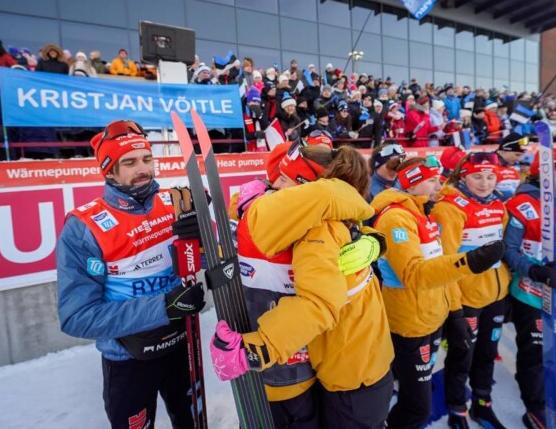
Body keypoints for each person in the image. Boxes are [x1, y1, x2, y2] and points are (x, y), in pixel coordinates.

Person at [210, 145, 394, 429]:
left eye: (283, 178)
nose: (273, 183)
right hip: (359, 364)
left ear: (304, 189)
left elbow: (318, 303)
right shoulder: (336, 213)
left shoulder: (320, 230)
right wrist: (376, 240)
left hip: (350, 378)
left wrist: (254, 349)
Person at [56, 120, 206, 429]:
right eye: (130, 162)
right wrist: (164, 306)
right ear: (109, 170)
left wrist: (203, 240)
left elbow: (205, 262)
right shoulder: (84, 227)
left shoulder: (176, 203)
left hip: (181, 345)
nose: (143, 169)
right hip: (128, 359)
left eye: (147, 159)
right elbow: (77, 316)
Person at [371, 156, 504, 429]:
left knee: (416, 396)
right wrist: (470, 262)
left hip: (431, 315)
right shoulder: (396, 218)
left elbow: (437, 267)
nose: (440, 185)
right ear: (412, 182)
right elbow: (414, 273)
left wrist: (453, 312)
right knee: (417, 409)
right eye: (432, 180)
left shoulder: (420, 211)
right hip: (412, 322)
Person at [503, 149, 556, 428]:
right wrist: (535, 271)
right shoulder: (522, 205)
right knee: (534, 353)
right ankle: (534, 406)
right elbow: (508, 250)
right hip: (532, 294)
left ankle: (536, 381)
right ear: (547, 174)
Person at [432, 152, 510, 429]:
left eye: (490, 176)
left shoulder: (499, 202)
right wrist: (453, 308)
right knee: (461, 355)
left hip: (496, 294)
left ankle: (482, 402)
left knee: (487, 352)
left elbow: (502, 247)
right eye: (478, 176)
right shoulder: (450, 207)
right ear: (462, 175)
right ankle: (457, 408)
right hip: (465, 298)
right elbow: (444, 264)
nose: (485, 183)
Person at [495, 133, 529, 202]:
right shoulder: (486, 163)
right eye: (517, 155)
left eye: (520, 155)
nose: (519, 159)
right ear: (504, 150)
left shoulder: (514, 168)